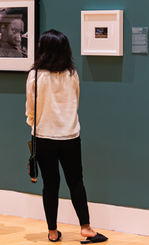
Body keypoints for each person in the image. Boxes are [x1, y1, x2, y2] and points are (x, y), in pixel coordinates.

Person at [25, 30, 108, 243]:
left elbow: (30, 109)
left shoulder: (35, 75)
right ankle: (86, 228)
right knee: (76, 182)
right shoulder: (72, 74)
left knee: (50, 185)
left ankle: (52, 232)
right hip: (70, 135)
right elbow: (75, 103)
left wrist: (36, 123)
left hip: (43, 136)